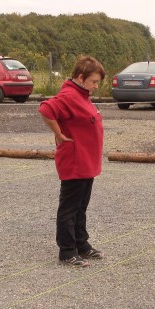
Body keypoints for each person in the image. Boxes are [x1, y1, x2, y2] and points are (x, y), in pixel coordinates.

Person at [39, 56, 106, 267]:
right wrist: (59, 133)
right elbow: (46, 109)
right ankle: (67, 251)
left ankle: (81, 243)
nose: (95, 86)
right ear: (80, 77)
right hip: (75, 161)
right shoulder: (69, 94)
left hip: (87, 160)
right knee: (69, 207)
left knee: (81, 206)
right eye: (94, 82)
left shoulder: (81, 94)